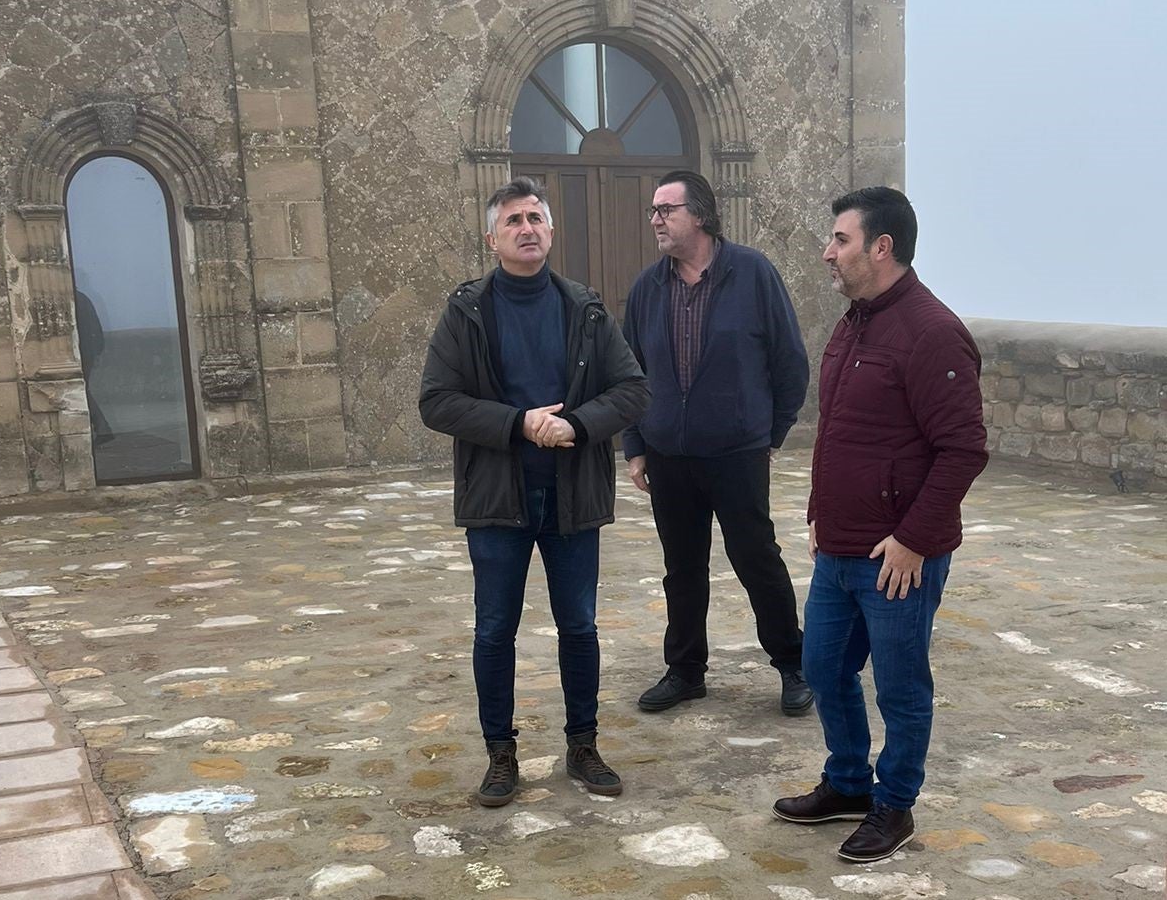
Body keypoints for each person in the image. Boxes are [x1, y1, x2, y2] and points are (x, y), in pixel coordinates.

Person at [772, 186, 988, 863]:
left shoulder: (932, 331)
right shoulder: (854, 322)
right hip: (840, 544)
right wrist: (818, 512)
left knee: (899, 684)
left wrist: (916, 538)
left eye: (839, 239)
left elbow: (964, 448)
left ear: (881, 247)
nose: (826, 252)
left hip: (899, 556)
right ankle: (847, 784)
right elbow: (841, 432)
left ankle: (894, 806)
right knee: (823, 665)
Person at [420, 177, 650, 807]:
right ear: (492, 237)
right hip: (498, 499)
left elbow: (632, 389)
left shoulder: (586, 308)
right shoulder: (465, 311)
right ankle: (501, 754)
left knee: (579, 626)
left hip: (572, 497)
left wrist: (574, 425)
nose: (527, 229)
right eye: (514, 220)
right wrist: (518, 423)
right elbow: (436, 401)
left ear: (551, 231)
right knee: (495, 630)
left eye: (536, 218)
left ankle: (583, 744)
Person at [623, 170, 812, 718]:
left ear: (700, 215)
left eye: (667, 209)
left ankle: (793, 664)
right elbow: (628, 373)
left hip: (736, 452)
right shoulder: (646, 288)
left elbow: (789, 362)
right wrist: (635, 443)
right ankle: (685, 671)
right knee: (681, 568)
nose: (656, 219)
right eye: (653, 210)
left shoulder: (753, 274)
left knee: (756, 558)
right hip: (668, 455)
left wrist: (769, 434)